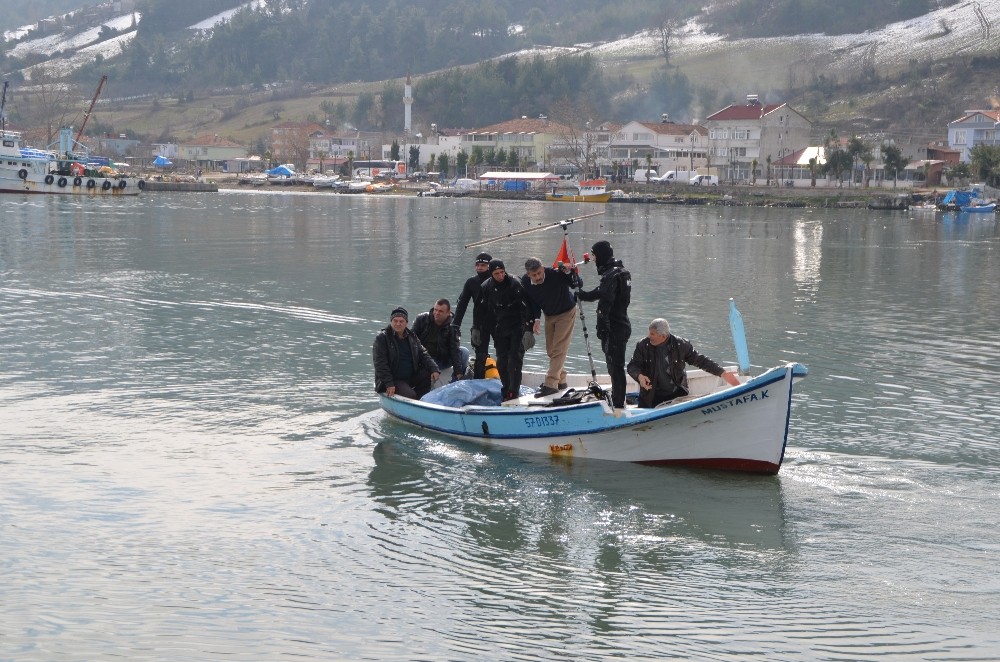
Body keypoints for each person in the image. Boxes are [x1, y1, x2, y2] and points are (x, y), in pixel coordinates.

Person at [627, 318, 740, 408]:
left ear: (663, 336)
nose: (649, 336)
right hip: (651, 398)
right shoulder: (643, 345)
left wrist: (722, 373)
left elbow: (700, 360)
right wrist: (640, 376)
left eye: (652, 334)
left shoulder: (681, 345)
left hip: (677, 396)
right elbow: (633, 366)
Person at [577, 240, 632, 408]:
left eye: (594, 255)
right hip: (621, 324)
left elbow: (606, 301)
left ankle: (618, 404)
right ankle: (618, 398)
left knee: (615, 367)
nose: (593, 259)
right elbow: (601, 293)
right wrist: (582, 295)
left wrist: (602, 327)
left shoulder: (612, 275)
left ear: (600, 255)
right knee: (615, 366)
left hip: (614, 327)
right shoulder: (620, 272)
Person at [521, 256, 579, 396]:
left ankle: (551, 384)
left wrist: (569, 272)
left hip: (566, 312)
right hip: (549, 314)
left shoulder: (555, 274)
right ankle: (561, 380)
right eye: (534, 275)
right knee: (551, 350)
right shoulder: (525, 282)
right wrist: (536, 319)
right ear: (528, 274)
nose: (538, 277)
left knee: (559, 349)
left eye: (539, 273)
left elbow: (577, 284)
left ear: (542, 269)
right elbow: (532, 301)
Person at [481, 259, 532, 401]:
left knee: (514, 361)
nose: (500, 276)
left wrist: (528, 329)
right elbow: (484, 311)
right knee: (501, 362)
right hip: (501, 327)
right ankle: (506, 389)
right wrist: (479, 328)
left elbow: (528, 307)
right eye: (496, 273)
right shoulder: (486, 287)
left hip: (517, 325)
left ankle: (513, 392)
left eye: (502, 272)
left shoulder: (515, 283)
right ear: (491, 274)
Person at [372, 306, 440, 399]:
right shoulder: (382, 338)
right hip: (394, 379)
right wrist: (389, 383)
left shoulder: (412, 337)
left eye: (401, 321)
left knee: (427, 372)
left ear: (406, 323)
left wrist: (434, 368)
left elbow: (423, 354)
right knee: (410, 395)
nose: (398, 324)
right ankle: (413, 399)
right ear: (391, 322)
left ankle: (420, 400)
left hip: (410, 377)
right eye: (395, 321)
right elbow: (380, 364)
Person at [453, 252, 495, 379]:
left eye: (483, 265)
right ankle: (479, 383)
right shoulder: (471, 282)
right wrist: (455, 324)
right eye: (477, 265)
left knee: (504, 354)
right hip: (480, 324)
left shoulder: (498, 280)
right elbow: (462, 304)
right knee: (480, 356)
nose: (479, 268)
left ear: (490, 266)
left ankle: (507, 386)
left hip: (499, 323)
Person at [411, 298, 469, 384]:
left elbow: (454, 349)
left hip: (441, 359)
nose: (437, 313)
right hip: (423, 358)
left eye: (441, 311)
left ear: (448, 313)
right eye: (435, 310)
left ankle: (455, 382)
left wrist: (458, 372)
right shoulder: (421, 319)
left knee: (464, 352)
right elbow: (410, 340)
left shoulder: (453, 325)